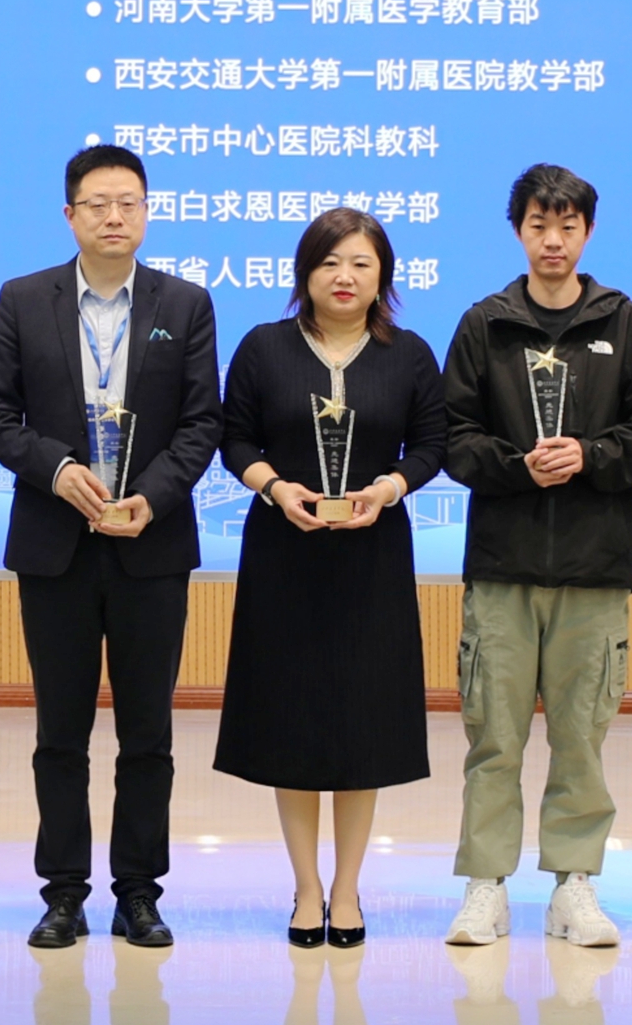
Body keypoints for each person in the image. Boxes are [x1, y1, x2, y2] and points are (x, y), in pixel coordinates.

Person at [0, 145, 222, 950]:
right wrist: (57, 470)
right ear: (70, 214)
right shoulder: (23, 299)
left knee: (148, 733)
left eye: (129, 203)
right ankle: (63, 894)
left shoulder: (185, 304)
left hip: (151, 546)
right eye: (98, 204)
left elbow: (203, 423)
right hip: (57, 546)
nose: (114, 216)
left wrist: (152, 495)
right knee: (61, 733)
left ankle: (139, 894)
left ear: (146, 212)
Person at [441, 163, 632, 949]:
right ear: (518, 231)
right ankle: (486, 885)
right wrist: (518, 467)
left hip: (594, 566)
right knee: (494, 737)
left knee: (581, 736)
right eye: (539, 225)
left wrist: (590, 455)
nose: (554, 240)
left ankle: (574, 883)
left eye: (568, 225)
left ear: (588, 232)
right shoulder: (485, 325)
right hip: (502, 568)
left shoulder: (629, 324)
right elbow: (452, 437)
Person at [215, 208, 448, 948]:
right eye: (329, 263)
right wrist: (275, 487)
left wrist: (389, 488)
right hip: (284, 554)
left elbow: (433, 442)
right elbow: (234, 437)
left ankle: (346, 889)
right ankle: (306, 887)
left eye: (361, 264)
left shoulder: (409, 355)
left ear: (383, 276)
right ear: (304, 272)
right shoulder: (264, 347)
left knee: (361, 725)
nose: (344, 277)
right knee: (292, 723)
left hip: (372, 559)